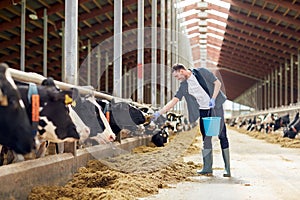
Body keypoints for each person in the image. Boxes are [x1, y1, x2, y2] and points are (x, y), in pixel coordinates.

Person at [153, 63, 231, 177]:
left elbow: (217, 83)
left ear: (181, 71)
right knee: (206, 138)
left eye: (177, 76)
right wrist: (160, 112)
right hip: (203, 111)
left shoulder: (202, 72)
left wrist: (213, 98)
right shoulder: (184, 86)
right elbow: (174, 101)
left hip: (216, 106)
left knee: (222, 135)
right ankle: (207, 168)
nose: (177, 78)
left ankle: (227, 169)